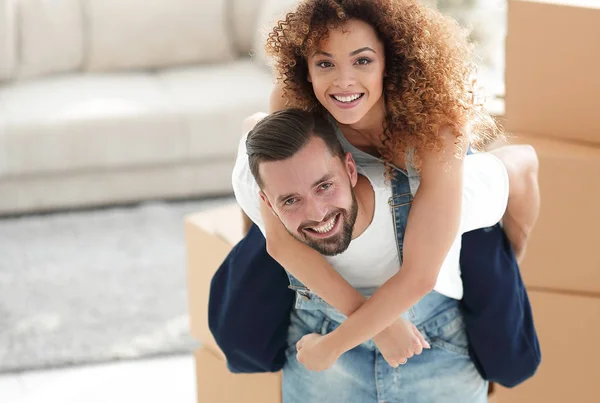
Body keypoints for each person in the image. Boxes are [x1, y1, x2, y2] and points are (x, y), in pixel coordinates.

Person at [230, 0, 539, 401]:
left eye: (362, 61)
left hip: (452, 207)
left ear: (390, 62)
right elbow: (278, 239)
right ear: (305, 69)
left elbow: (421, 274)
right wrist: (374, 321)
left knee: (496, 227)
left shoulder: (437, 126)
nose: (343, 81)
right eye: (325, 64)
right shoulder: (294, 104)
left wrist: (333, 345)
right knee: (263, 159)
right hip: (331, 309)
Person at [236, 108, 522, 402]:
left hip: (432, 350)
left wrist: (515, 254)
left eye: (324, 186)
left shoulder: (438, 191)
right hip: (321, 354)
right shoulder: (252, 181)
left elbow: (523, 163)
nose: (317, 213)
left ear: (349, 170)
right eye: (290, 200)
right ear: (266, 204)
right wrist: (376, 328)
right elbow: (253, 122)